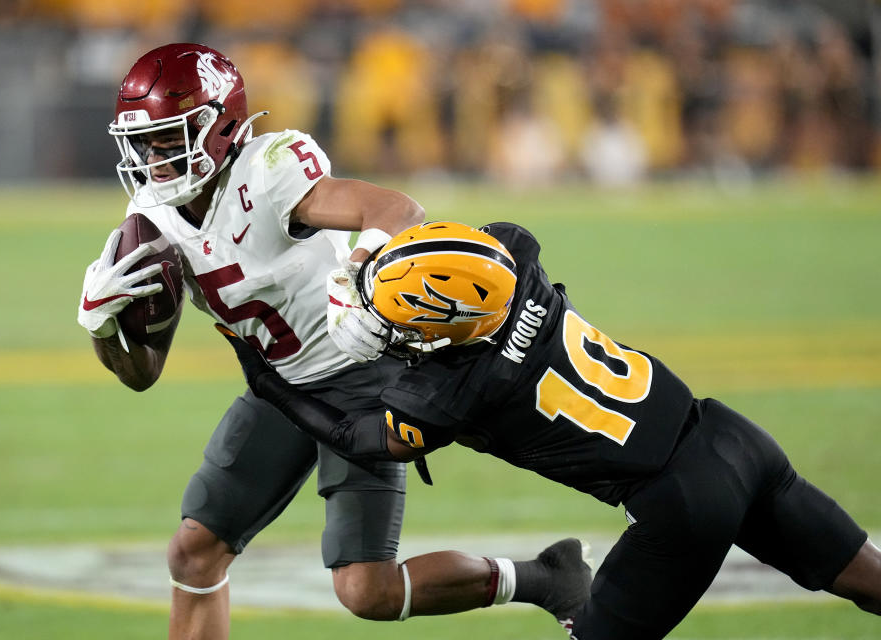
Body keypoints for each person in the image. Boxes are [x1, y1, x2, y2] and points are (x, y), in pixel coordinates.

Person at [76, 44, 591, 639]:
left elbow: (397, 208)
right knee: (193, 553)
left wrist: (356, 275)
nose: (155, 159)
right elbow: (140, 373)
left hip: (360, 378)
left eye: (171, 138)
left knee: (366, 590)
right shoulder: (153, 214)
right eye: (145, 143)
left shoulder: (268, 171)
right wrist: (100, 323)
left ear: (219, 127)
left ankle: (545, 578)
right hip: (279, 389)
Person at [221, 220, 881, 639]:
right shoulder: (517, 255)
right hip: (734, 438)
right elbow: (469, 249)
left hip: (681, 509)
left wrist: (267, 379)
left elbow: (357, 436)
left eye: (406, 325)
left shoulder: (456, 394)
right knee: (866, 579)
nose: (397, 335)